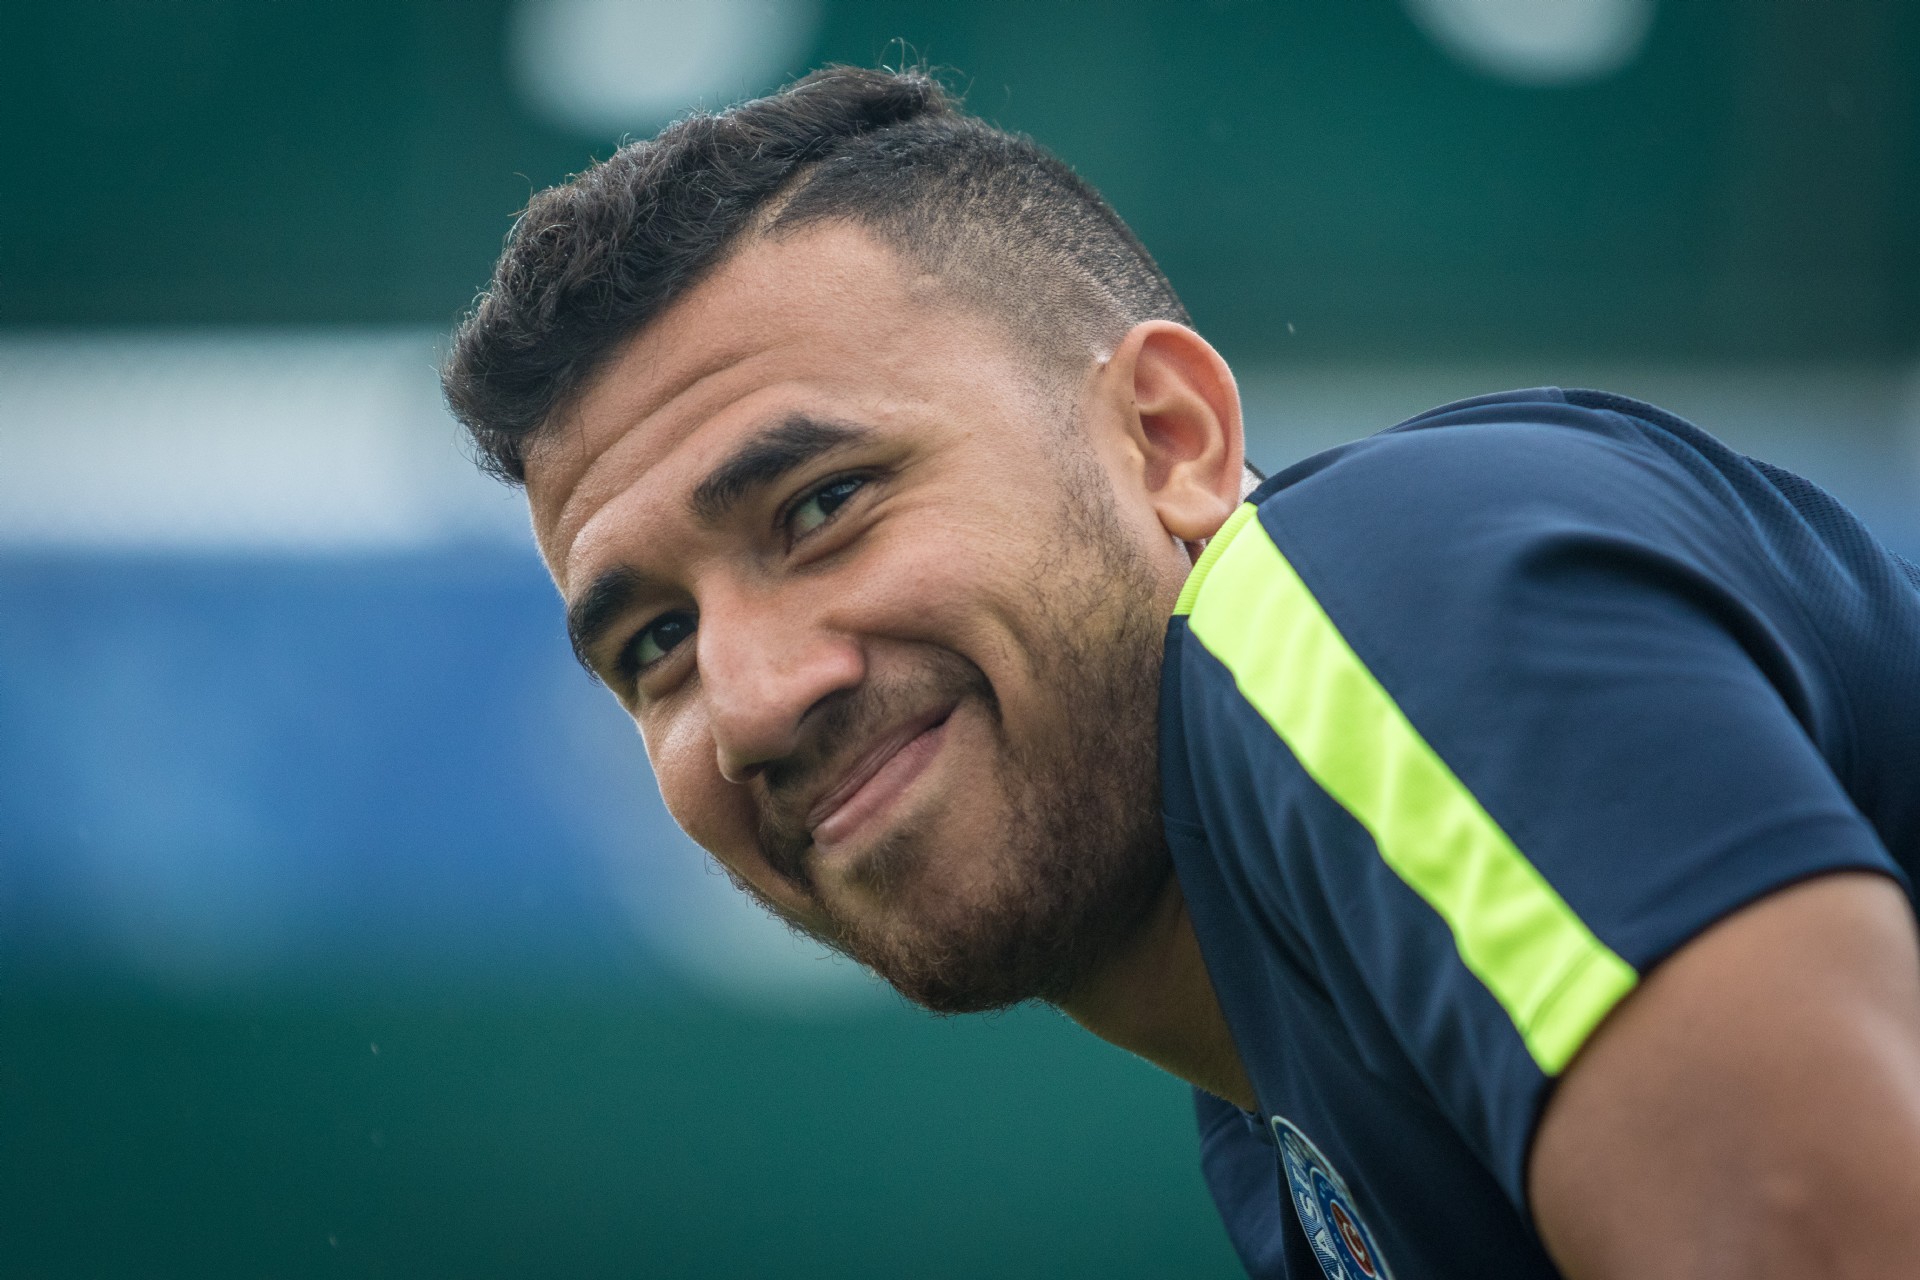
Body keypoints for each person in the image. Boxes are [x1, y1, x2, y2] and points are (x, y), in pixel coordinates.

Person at [440, 66, 1920, 1279]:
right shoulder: (1274, 1115)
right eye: (656, 647)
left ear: (1168, 439)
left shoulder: (1375, 599)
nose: (756, 699)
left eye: (824, 505)